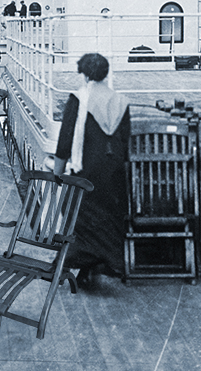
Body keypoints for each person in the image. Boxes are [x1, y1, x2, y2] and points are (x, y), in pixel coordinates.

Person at [52, 53, 130, 288]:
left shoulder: (79, 98)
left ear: (85, 74)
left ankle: (75, 262)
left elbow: (66, 139)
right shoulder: (119, 101)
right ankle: (99, 264)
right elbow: (125, 141)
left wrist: (58, 172)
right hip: (113, 171)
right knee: (106, 217)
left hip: (85, 168)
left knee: (80, 215)